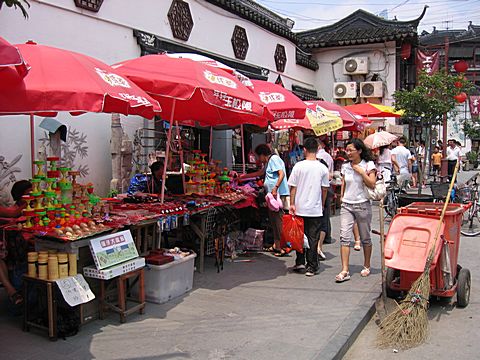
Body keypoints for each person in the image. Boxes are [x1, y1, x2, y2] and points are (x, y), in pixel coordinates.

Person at [335, 139, 376, 283]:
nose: (348, 153)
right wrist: (341, 197)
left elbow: (372, 183)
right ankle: (345, 270)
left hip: (362, 204)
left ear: (359, 151)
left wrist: (361, 172)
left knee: (365, 237)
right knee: (344, 237)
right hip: (347, 204)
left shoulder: (368, 165)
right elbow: (344, 182)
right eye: (347, 150)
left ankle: (367, 265)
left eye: (351, 150)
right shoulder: (345, 166)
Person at [289, 138, 330, 276]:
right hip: (315, 208)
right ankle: (312, 266)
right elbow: (324, 189)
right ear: (318, 149)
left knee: (300, 235)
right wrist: (322, 204)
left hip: (300, 207)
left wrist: (292, 204)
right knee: (313, 237)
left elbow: (293, 188)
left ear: (304, 150)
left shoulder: (298, 166)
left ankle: (300, 261)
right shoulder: (322, 168)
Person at [240, 144, 289, 255]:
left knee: (277, 220)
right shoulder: (268, 162)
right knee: (273, 219)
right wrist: (243, 176)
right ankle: (276, 244)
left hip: (276, 194)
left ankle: (281, 246)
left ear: (262, 154)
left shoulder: (274, 159)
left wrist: (275, 188)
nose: (258, 159)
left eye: (258, 156)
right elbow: (260, 173)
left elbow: (281, 174)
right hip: (272, 195)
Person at [0, 180, 32, 306]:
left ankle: (12, 292)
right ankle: (12, 291)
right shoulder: (15, 211)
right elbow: (13, 213)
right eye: (29, 194)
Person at [316, 137, 334, 253]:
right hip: (326, 187)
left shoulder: (321, 159)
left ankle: (320, 243)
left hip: (322, 188)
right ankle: (324, 239)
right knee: (325, 216)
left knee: (322, 217)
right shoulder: (328, 156)